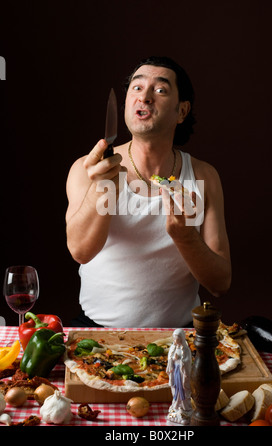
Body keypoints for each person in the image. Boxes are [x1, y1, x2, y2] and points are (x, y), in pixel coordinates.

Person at [66, 56, 231, 328]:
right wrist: (101, 189)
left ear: (182, 111)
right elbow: (81, 251)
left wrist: (185, 235)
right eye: (137, 87)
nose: (145, 97)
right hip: (95, 332)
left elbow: (220, 284)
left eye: (161, 89)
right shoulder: (87, 169)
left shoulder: (204, 176)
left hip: (181, 336)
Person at [166, 328, 193, 424]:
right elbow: (169, 359)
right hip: (175, 372)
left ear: (181, 338)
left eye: (177, 338)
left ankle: (184, 411)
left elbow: (188, 361)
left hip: (182, 374)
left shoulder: (185, 349)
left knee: (183, 391)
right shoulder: (172, 348)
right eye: (174, 338)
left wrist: (180, 361)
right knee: (175, 390)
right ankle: (175, 409)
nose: (175, 340)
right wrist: (173, 359)